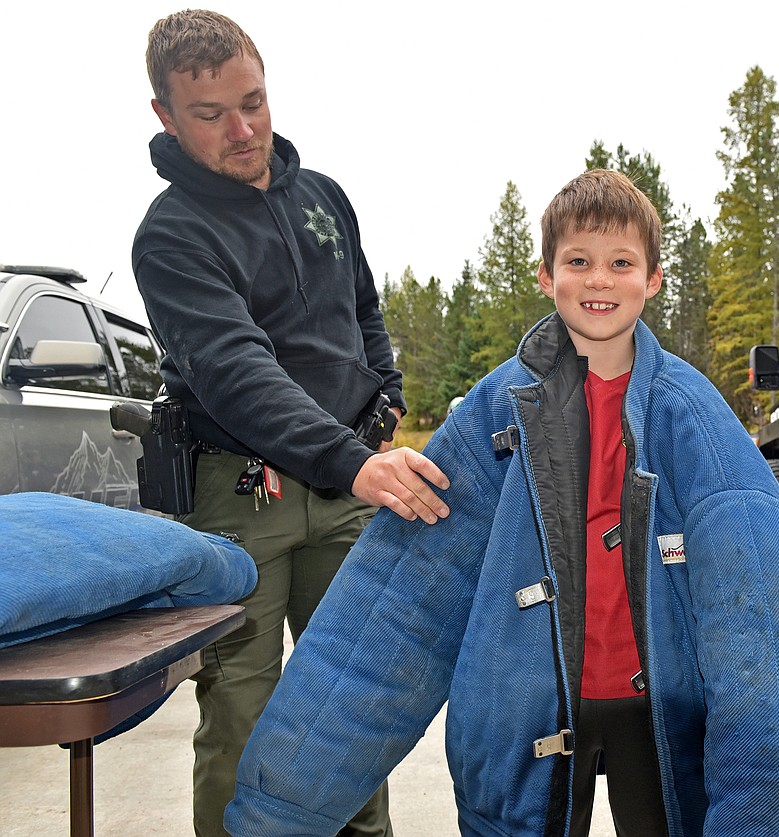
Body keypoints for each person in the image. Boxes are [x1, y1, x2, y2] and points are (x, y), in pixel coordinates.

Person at [224, 170, 779, 836]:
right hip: (524, 716)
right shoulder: (492, 414)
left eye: (621, 263)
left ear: (654, 279)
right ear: (545, 276)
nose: (599, 280)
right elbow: (393, 612)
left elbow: (769, 617)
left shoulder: (694, 416)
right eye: (578, 261)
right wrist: (277, 810)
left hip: (661, 712)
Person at [133, 10, 450, 836]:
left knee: (353, 695)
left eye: (255, 102)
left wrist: (384, 396)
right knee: (244, 706)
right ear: (165, 115)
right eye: (211, 115)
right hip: (243, 497)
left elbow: (363, 310)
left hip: (349, 481)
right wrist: (351, 458)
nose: (244, 130)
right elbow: (239, 375)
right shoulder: (170, 237)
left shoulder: (323, 197)